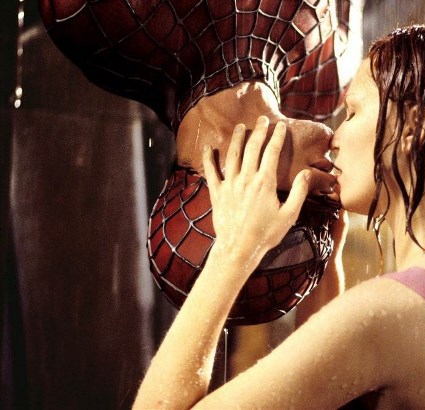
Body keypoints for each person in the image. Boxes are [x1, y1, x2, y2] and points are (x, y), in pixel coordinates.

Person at [133, 22, 425, 409]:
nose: (335, 137)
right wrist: (328, 267)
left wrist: (234, 249)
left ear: (412, 128)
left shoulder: (393, 314)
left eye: (352, 112)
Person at [39, 0, 360, 324]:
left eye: (297, 218)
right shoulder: (329, 75)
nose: (330, 198)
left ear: (232, 187)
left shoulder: (102, 21)